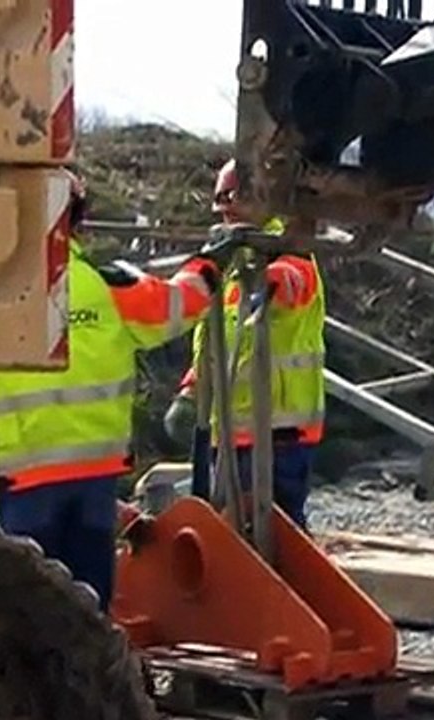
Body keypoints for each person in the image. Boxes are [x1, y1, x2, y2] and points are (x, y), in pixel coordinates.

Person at [0, 171, 219, 612]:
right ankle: (88, 680)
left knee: (29, 604)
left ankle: (33, 679)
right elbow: (178, 305)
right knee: (89, 606)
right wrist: (209, 266)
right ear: (78, 222)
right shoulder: (109, 287)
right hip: (94, 477)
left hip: (25, 480)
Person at [165, 158, 326, 529]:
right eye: (219, 198)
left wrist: (260, 272)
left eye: (232, 196)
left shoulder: (288, 252)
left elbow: (290, 283)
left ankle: (285, 587)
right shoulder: (230, 261)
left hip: (278, 435)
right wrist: (191, 390)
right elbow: (214, 339)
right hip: (228, 433)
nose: (224, 207)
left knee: (277, 533)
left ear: (262, 196)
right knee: (229, 531)